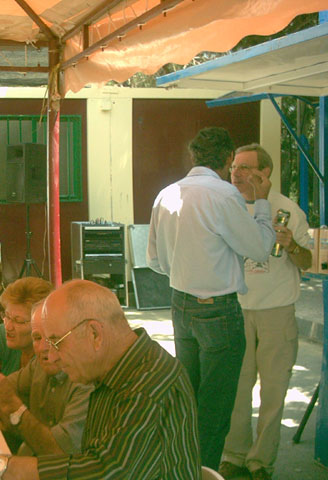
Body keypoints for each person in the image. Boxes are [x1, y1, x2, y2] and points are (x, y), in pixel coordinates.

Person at [0, 280, 200, 479]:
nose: (50, 355)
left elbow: (105, 471)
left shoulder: (148, 384)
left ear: (94, 334)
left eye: (56, 342)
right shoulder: (111, 366)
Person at [147, 127, 276, 469]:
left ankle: (180, 469)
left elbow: (155, 261)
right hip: (217, 308)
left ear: (194, 157)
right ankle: (200, 473)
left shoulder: (166, 194)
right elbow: (260, 247)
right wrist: (261, 203)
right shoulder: (222, 194)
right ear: (227, 159)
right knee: (215, 411)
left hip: (181, 304)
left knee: (189, 401)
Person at [219, 144, 313, 480]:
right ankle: (233, 454)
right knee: (237, 390)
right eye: (234, 168)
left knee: (273, 392)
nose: (237, 174)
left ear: (266, 173)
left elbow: (308, 262)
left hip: (276, 312)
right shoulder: (227, 206)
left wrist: (291, 245)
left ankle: (261, 462)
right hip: (236, 310)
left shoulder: (288, 210)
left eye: (245, 168)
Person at [0, 302, 92, 456]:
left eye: (54, 339)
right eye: (37, 338)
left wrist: (12, 407)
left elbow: (59, 454)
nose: (44, 348)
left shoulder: (87, 382)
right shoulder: (38, 365)